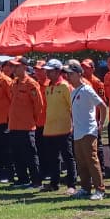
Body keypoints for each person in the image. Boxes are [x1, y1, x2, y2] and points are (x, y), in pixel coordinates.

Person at [66, 61, 108, 199]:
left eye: (71, 74)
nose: (68, 77)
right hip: (78, 132)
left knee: (91, 160)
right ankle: (85, 188)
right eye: (67, 74)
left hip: (88, 130)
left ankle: (100, 189)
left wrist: (101, 124)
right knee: (81, 161)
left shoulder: (87, 89)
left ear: (79, 74)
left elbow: (102, 106)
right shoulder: (73, 92)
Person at [8, 58, 45, 189]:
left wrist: (31, 119)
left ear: (24, 67)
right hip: (14, 125)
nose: (14, 69)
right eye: (13, 66)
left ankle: (36, 181)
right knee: (17, 154)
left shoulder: (31, 83)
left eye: (17, 66)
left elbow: (38, 105)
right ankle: (22, 179)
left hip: (27, 126)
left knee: (30, 155)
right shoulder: (14, 83)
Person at [41, 59, 76, 193]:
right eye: (47, 71)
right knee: (53, 158)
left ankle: (71, 185)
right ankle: (54, 183)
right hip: (50, 129)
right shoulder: (48, 87)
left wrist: (73, 125)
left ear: (57, 71)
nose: (47, 73)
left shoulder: (66, 86)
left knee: (68, 157)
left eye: (50, 71)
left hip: (64, 128)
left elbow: (73, 107)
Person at [82, 58, 108, 170]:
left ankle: (101, 167)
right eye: (83, 68)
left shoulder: (97, 83)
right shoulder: (80, 82)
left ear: (92, 69)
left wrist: (99, 120)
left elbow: (102, 102)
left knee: (97, 144)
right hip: (83, 119)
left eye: (86, 68)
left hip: (94, 118)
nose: (84, 70)